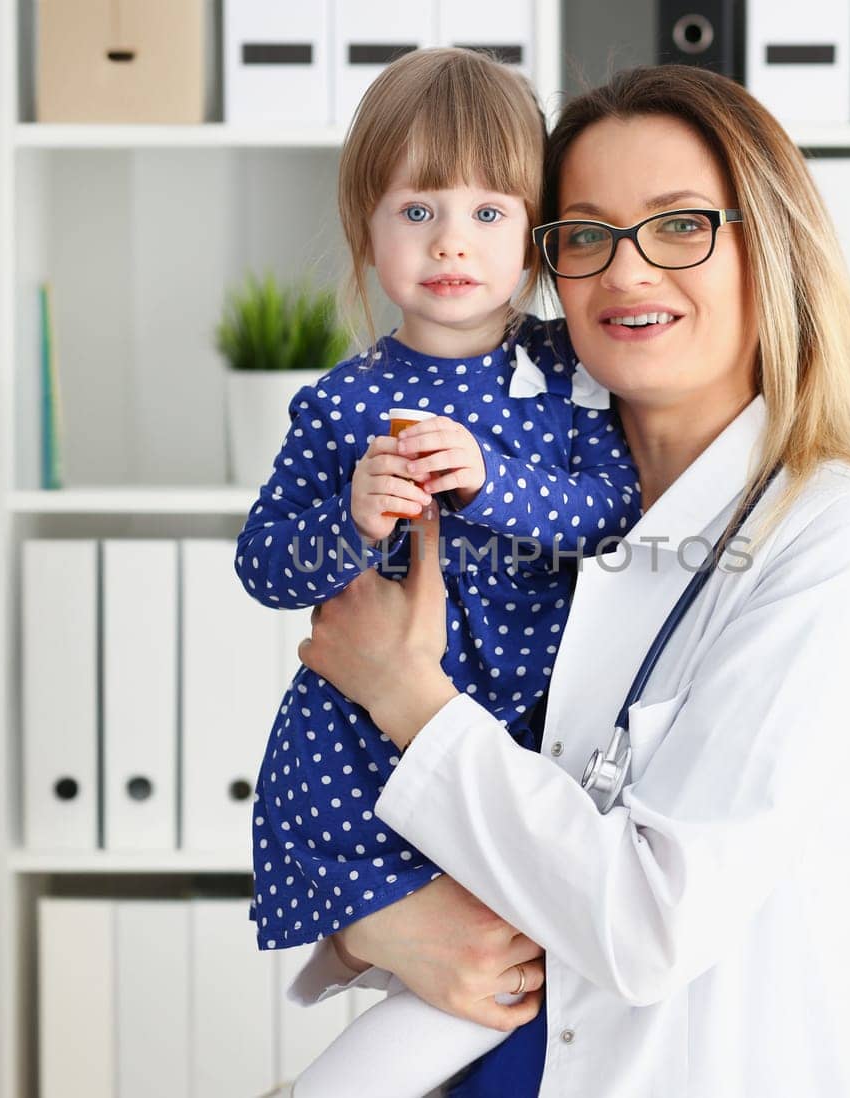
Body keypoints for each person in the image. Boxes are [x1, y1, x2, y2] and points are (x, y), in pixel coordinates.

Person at [290, 64, 850, 1097]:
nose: (627, 272)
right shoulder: (504, 514)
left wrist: (403, 695)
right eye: (585, 234)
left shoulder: (836, 542)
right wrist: (370, 927)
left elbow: (649, 922)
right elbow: (423, 817)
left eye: (680, 225)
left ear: (770, 249)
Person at [233, 48, 640, 1098]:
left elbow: (615, 513)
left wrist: (493, 481)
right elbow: (265, 565)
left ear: (537, 237)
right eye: (416, 211)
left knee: (508, 977)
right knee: (464, 971)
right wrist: (352, 517)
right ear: (366, 229)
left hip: (521, 741)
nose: (451, 240)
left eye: (489, 213)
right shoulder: (341, 402)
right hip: (359, 751)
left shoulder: (573, 374)